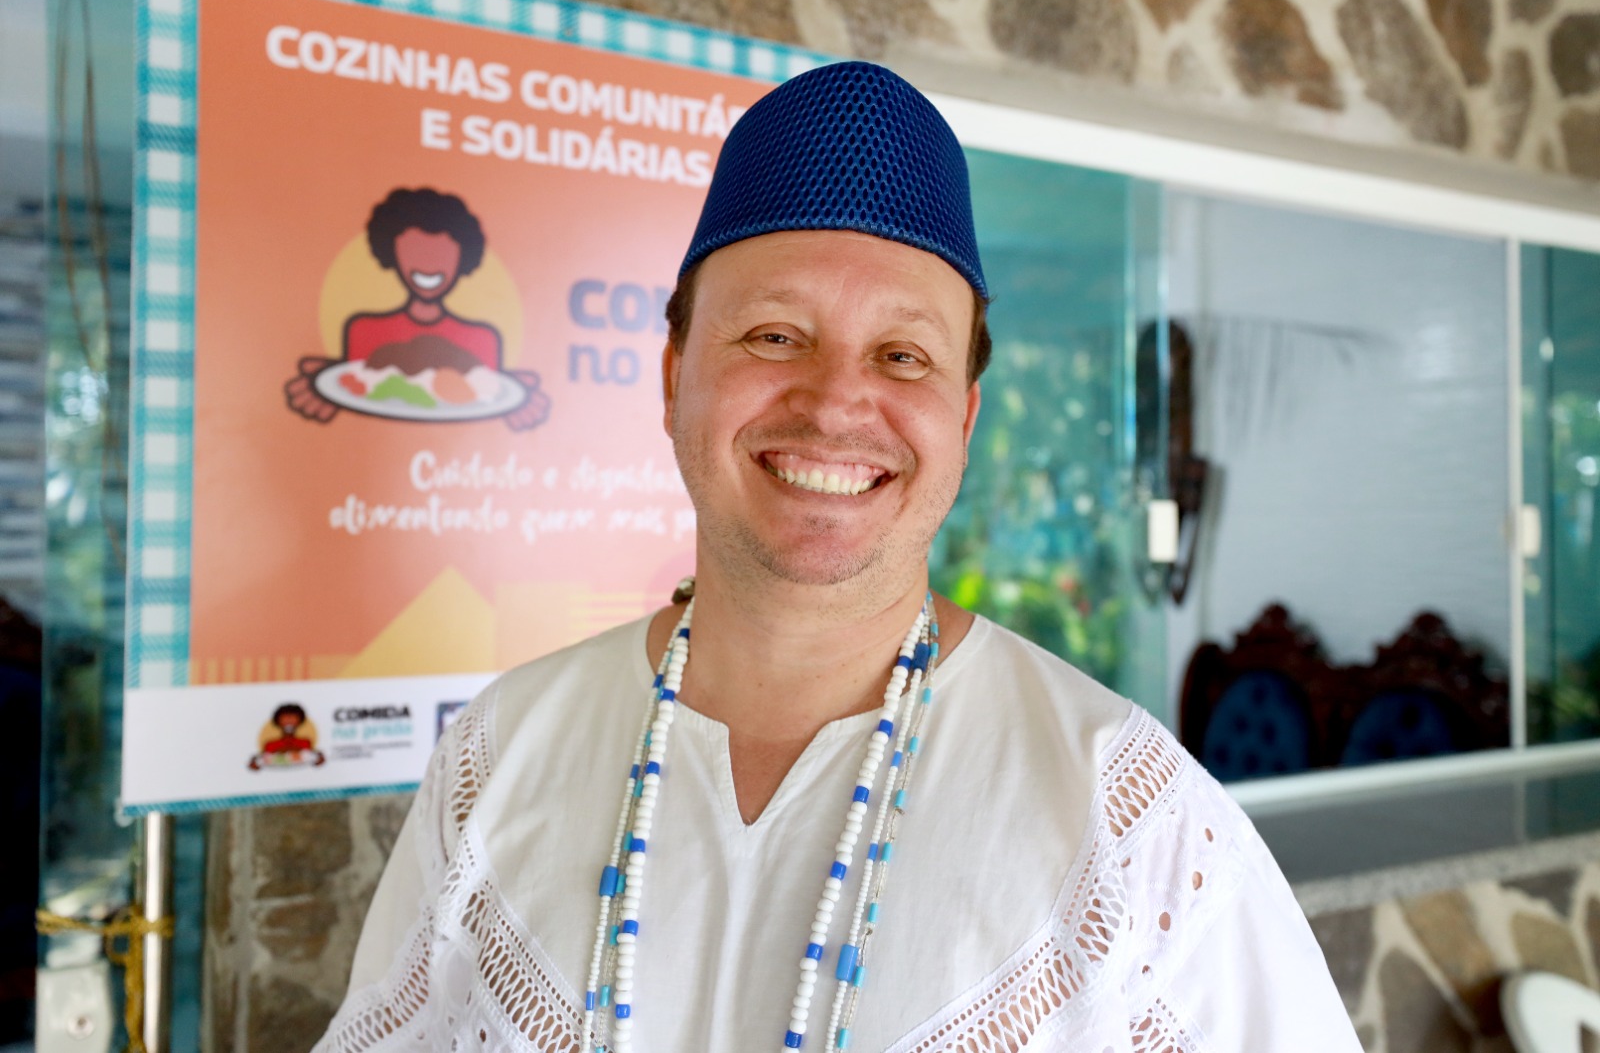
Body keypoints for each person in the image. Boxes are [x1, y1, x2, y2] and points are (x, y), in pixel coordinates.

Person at [315, 62, 1360, 1052]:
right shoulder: (501, 753)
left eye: (903, 355)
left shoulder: (1129, 821)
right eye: (775, 335)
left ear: (963, 417)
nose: (834, 405)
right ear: (675, 377)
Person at [284, 187, 550, 431]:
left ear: (463, 258)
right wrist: (328, 391)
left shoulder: (483, 339)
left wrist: (515, 405)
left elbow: (484, 405)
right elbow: (357, 394)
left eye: (440, 252)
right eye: (417, 249)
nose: (429, 264)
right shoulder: (364, 330)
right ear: (390, 252)